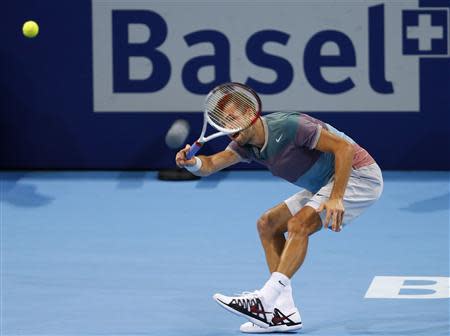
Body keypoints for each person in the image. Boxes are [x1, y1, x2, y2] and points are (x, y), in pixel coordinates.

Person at [175, 103, 383, 333]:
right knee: (268, 224)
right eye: (225, 123)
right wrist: (192, 163)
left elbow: (344, 148)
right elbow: (212, 164)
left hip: (358, 176)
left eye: (234, 118)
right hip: (325, 182)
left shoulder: (290, 125)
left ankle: (266, 299)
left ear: (251, 115)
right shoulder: (246, 145)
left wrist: (336, 198)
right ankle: (284, 313)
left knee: (298, 224)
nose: (230, 127)